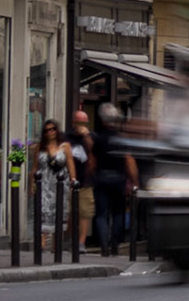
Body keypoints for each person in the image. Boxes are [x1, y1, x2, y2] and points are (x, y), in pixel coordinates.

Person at [91, 104, 138, 256]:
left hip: (102, 179)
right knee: (118, 213)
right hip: (118, 180)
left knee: (101, 215)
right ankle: (115, 244)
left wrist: (93, 175)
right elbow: (129, 161)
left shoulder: (98, 139)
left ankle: (104, 246)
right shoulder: (121, 140)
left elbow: (92, 162)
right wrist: (134, 181)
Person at [31, 121, 74, 252]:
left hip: (60, 183)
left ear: (57, 130)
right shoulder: (40, 147)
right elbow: (35, 167)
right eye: (47, 130)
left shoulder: (65, 146)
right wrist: (32, 183)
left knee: (59, 211)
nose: (50, 132)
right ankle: (42, 243)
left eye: (53, 129)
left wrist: (73, 181)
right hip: (44, 183)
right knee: (43, 211)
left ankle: (56, 245)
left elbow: (70, 164)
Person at [67, 110, 96, 249]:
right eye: (78, 122)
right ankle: (69, 239)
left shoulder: (91, 137)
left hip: (86, 180)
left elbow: (95, 154)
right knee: (69, 212)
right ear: (73, 122)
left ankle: (81, 241)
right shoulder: (67, 137)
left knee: (84, 212)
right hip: (68, 181)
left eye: (84, 123)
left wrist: (87, 137)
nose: (81, 125)